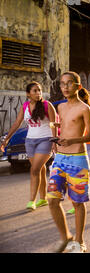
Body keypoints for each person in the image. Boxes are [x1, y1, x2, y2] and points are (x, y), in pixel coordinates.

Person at [47, 71, 90, 253]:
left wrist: (72, 141)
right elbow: (68, 125)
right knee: (52, 200)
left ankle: (80, 241)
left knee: (77, 203)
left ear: (78, 86)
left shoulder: (85, 108)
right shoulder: (60, 108)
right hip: (59, 159)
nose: (65, 87)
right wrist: (58, 130)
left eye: (69, 83)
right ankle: (66, 236)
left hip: (77, 160)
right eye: (62, 84)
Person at [1, 82, 57, 211]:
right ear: (28, 94)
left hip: (45, 140)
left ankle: (32, 200)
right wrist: (6, 139)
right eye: (35, 91)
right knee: (40, 169)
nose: (38, 93)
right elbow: (17, 123)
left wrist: (54, 142)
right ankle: (43, 199)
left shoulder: (47, 105)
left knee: (34, 169)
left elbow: (54, 124)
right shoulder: (25, 106)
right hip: (30, 142)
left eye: (39, 90)